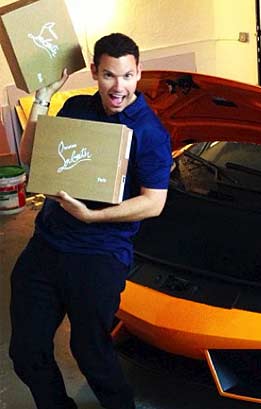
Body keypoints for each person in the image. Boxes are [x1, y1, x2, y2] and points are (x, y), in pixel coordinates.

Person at [9, 33, 172, 409]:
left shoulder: (149, 132)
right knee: (26, 352)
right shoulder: (76, 107)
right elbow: (31, 157)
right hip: (47, 245)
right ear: (95, 71)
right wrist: (42, 99)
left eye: (127, 76)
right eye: (109, 75)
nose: (119, 87)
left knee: (91, 353)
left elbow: (154, 203)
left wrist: (92, 216)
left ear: (138, 72)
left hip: (100, 253)